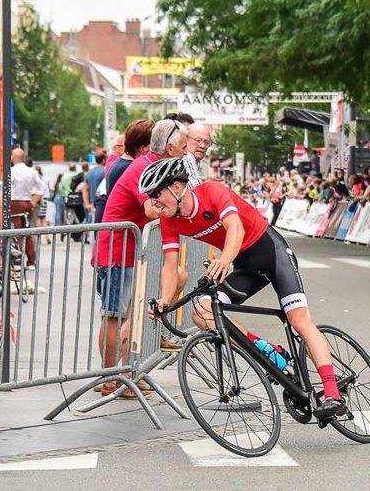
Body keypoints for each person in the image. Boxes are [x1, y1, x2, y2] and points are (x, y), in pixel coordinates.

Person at [141, 158, 348, 420]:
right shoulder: (170, 221)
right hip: (245, 267)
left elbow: (235, 228)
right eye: (149, 196)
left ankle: (332, 393)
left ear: (178, 187)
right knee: (202, 313)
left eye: (156, 193)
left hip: (272, 255)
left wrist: (224, 261)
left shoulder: (212, 192)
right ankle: (270, 352)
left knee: (299, 321)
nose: (153, 201)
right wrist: (163, 300)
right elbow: (170, 267)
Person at [94, 119, 189, 398]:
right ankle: (109, 378)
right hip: (116, 250)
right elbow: (149, 209)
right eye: (183, 147)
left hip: (130, 250)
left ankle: (126, 372)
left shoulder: (155, 164)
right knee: (115, 316)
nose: (185, 152)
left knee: (131, 313)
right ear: (169, 147)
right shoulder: (146, 166)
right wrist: (177, 210)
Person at [9, 149, 42, 267]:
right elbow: (41, 187)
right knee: (28, 232)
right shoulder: (32, 172)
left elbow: (7, 188)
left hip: (14, 203)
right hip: (27, 203)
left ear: (13, 157)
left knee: (16, 232)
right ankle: (31, 261)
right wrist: (33, 202)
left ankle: (18, 260)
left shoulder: (11, 171)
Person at [182, 123, 211, 188]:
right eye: (198, 140)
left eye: (206, 142)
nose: (202, 146)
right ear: (186, 139)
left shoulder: (194, 160)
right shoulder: (188, 157)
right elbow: (197, 191)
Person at [85, 153, 107, 223]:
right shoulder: (105, 171)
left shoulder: (89, 172)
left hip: (91, 204)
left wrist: (87, 204)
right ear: (103, 160)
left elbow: (85, 189)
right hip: (101, 204)